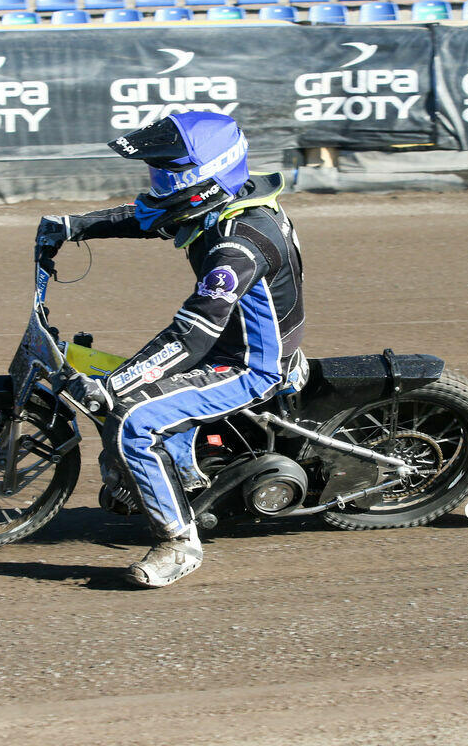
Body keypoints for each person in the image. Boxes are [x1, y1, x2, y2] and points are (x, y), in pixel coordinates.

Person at [36, 111, 305, 588]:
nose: (160, 186)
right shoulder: (225, 203)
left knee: (132, 419)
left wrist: (113, 387)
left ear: (207, 178)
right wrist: (75, 225)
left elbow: (190, 335)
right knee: (127, 384)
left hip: (250, 365)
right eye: (158, 175)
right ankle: (182, 473)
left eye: (170, 177)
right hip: (223, 343)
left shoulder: (238, 248)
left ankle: (180, 544)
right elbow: (148, 217)